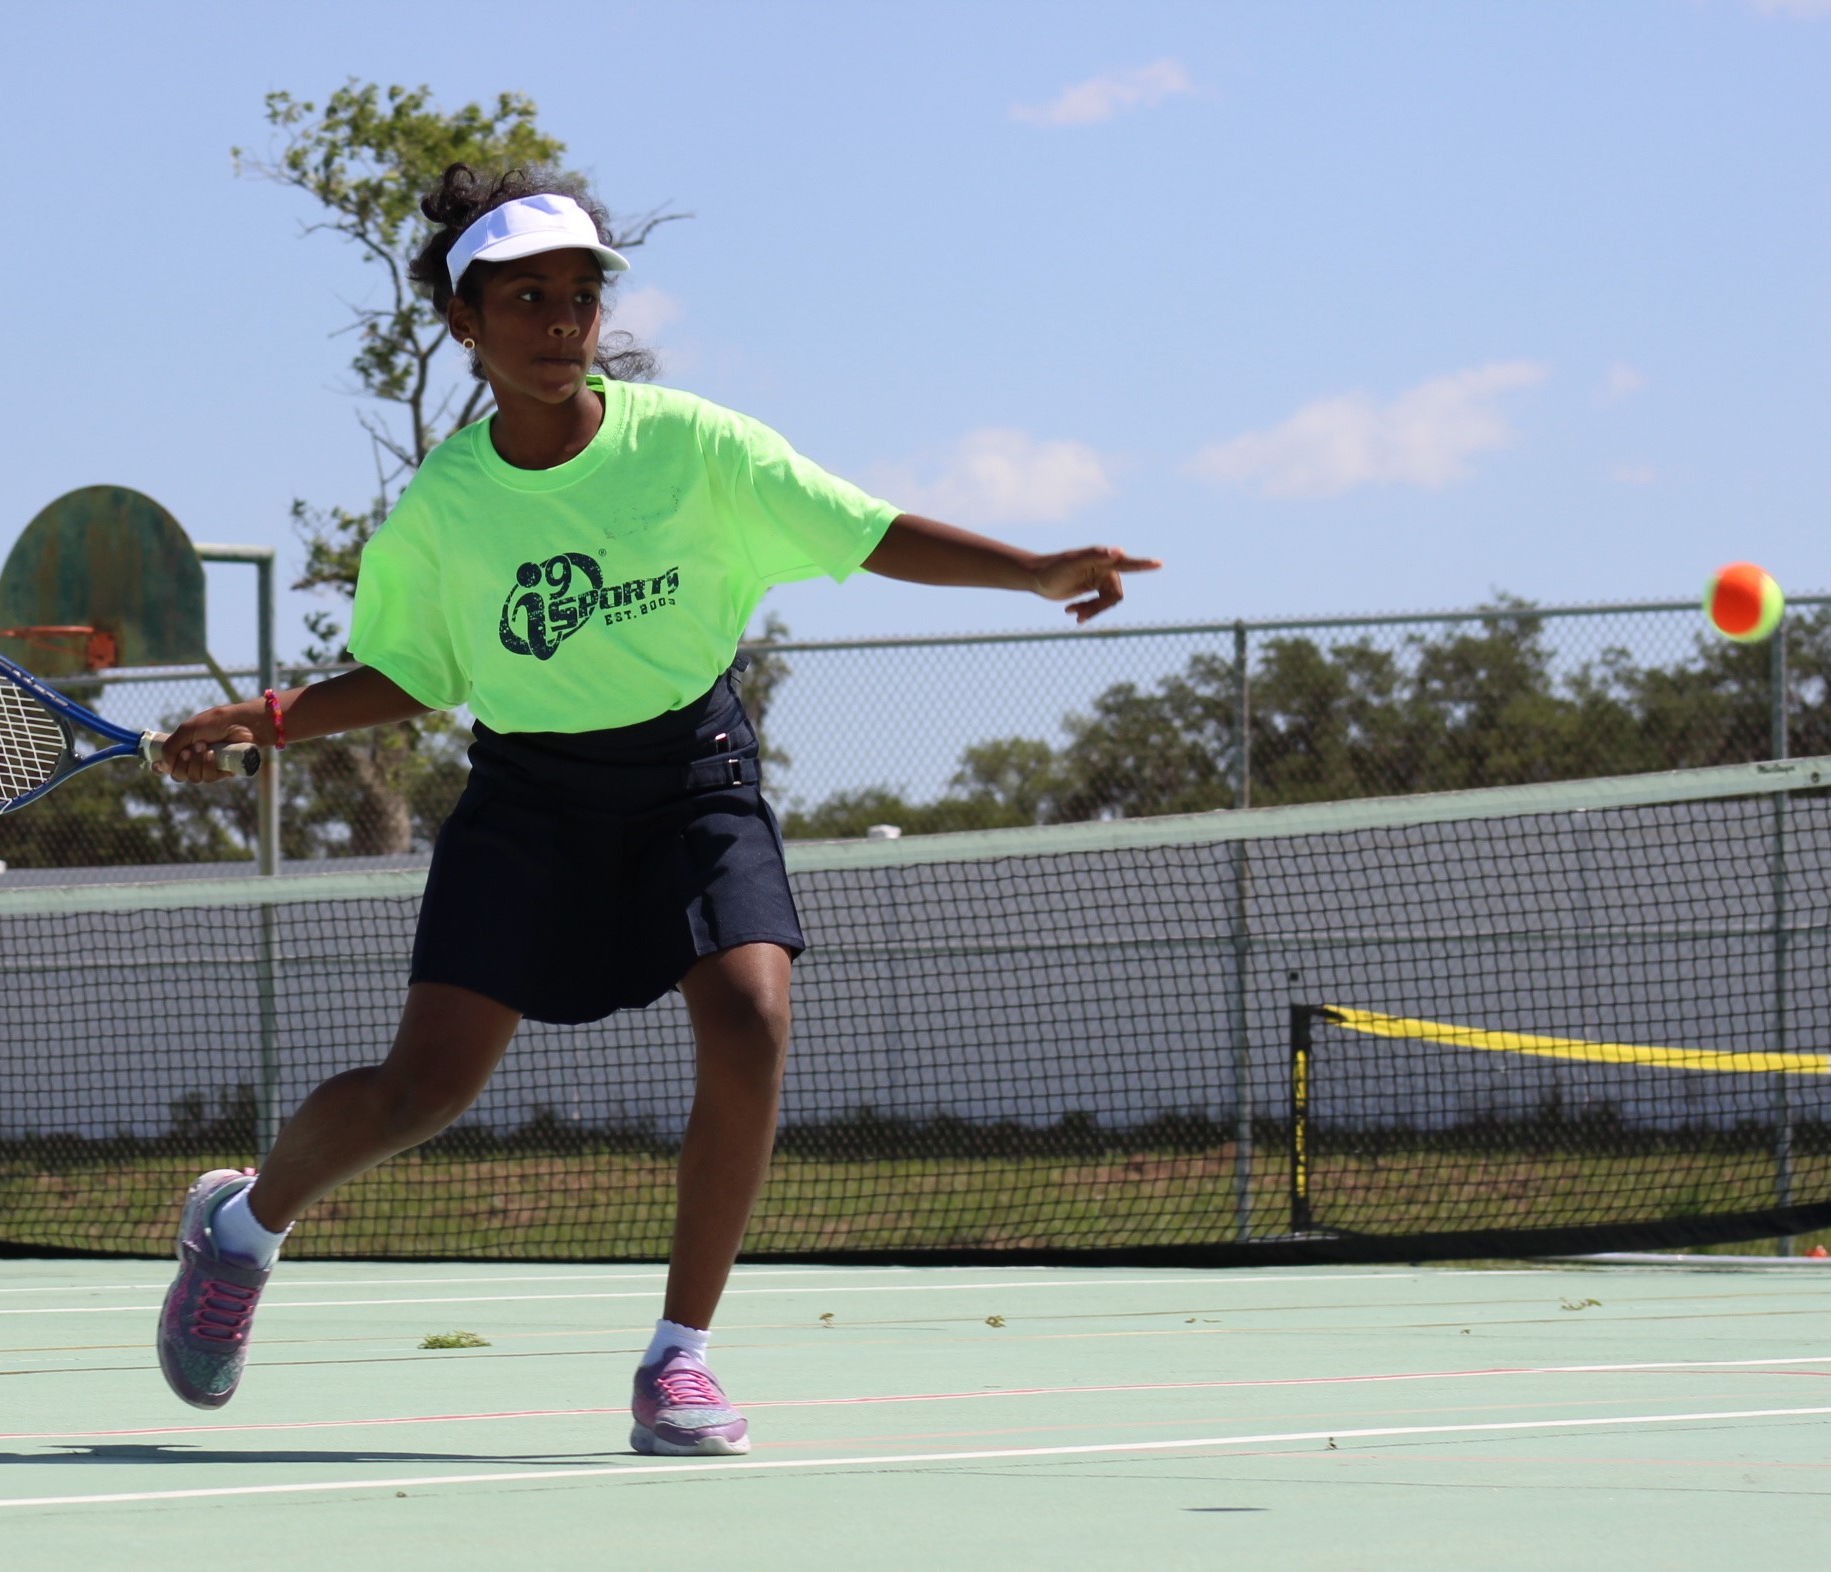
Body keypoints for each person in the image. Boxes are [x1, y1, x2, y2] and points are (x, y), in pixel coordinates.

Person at [150, 165, 1159, 1457]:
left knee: (749, 1015)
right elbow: (419, 671)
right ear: (465, 324)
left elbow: (862, 529)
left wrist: (1030, 572)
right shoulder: (445, 512)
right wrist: (271, 718)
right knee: (422, 1091)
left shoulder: (696, 449)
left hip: (693, 775)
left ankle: (678, 1361)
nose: (561, 321)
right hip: (528, 797)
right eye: (527, 300)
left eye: (578, 296)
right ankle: (243, 1226)